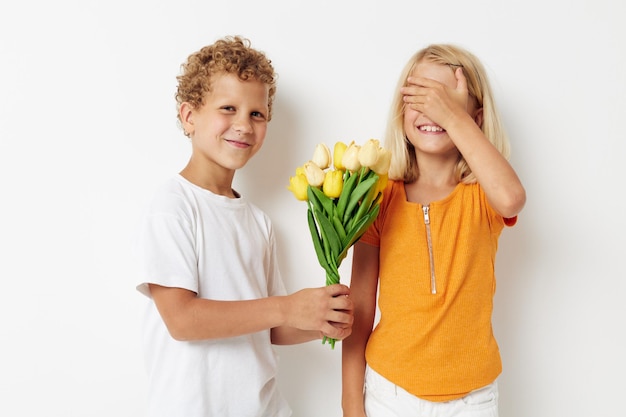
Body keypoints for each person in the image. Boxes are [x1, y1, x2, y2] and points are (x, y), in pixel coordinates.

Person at [135, 35, 354, 417]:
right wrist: (287, 308)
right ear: (189, 117)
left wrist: (320, 321)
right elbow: (182, 320)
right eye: (228, 108)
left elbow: (268, 328)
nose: (244, 125)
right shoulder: (173, 205)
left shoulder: (258, 223)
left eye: (257, 114)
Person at [341, 44, 526, 416]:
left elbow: (511, 199)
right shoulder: (377, 197)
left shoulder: (483, 197)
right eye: (419, 97)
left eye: (445, 100)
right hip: (389, 392)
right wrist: (350, 406)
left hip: (472, 398)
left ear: (475, 117)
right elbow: (359, 309)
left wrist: (454, 119)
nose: (432, 110)